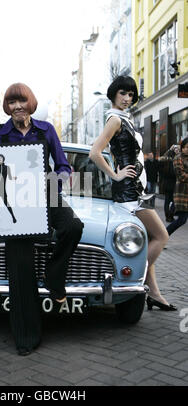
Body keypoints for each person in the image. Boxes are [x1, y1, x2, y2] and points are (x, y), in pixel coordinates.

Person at [0, 83, 83, 355]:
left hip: (47, 193)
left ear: (31, 103)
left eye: (22, 101)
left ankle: (54, 275)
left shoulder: (46, 130)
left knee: (73, 226)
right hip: (15, 203)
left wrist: (56, 180)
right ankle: (26, 337)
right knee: (20, 268)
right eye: (12, 102)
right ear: (7, 107)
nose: (17, 106)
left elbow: (63, 166)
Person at [89, 75, 176, 312]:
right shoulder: (115, 119)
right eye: (123, 94)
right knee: (161, 236)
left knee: (147, 239)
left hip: (137, 190)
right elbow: (95, 152)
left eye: (130, 95)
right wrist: (115, 175)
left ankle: (155, 294)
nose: (127, 99)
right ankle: (130, 276)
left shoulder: (124, 118)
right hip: (130, 193)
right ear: (114, 94)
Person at [166, 138, 188, 236]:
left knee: (182, 220)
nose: (187, 149)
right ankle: (163, 236)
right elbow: (181, 176)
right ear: (182, 148)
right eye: (186, 147)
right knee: (181, 220)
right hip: (182, 194)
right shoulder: (178, 158)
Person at [158, 145, 178, 222]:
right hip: (173, 184)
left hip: (166, 184)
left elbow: (160, 168)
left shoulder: (165, 161)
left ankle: (168, 216)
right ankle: (170, 215)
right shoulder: (174, 161)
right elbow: (174, 173)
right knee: (173, 200)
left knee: (167, 200)